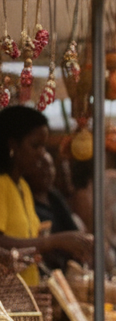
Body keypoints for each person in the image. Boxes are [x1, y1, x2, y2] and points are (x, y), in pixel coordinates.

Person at [0, 105, 93, 282]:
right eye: (35, 146)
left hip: (28, 296)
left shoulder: (23, 187)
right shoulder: (2, 184)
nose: (42, 153)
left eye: (44, 146)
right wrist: (53, 241)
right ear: (13, 145)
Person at [24, 150, 78, 271]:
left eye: (50, 167)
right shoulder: (26, 195)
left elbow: (73, 229)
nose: (47, 172)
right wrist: (54, 242)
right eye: (40, 166)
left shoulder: (55, 197)